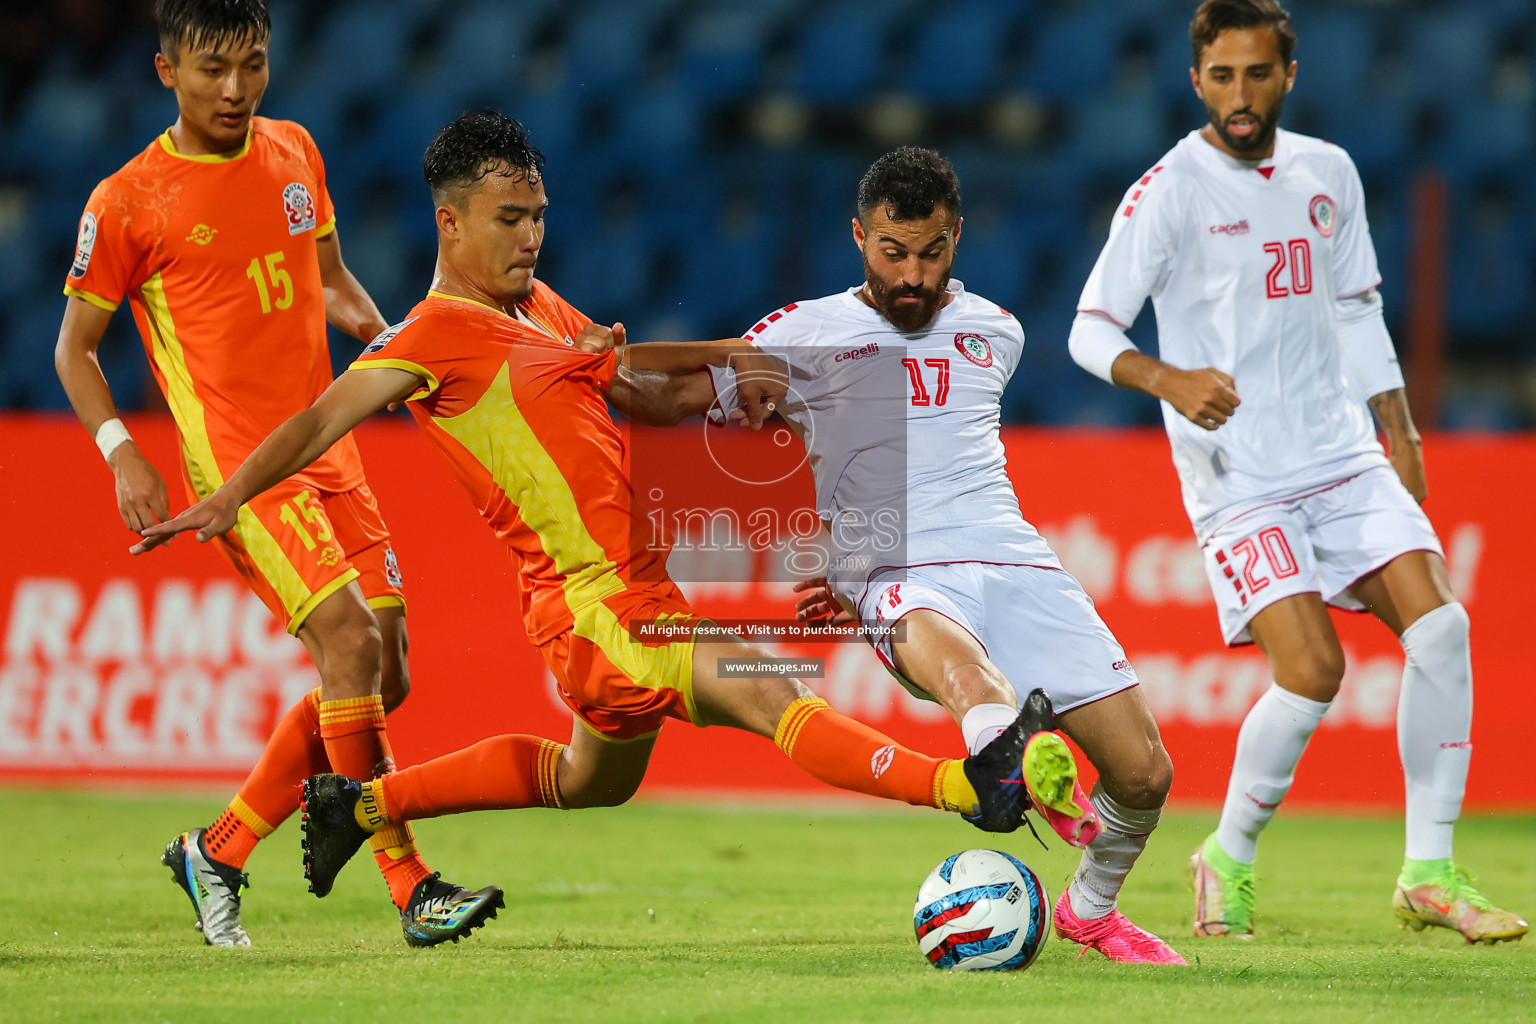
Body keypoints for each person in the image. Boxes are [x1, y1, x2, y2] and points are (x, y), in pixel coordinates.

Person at [133, 111, 1069, 900]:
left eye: (538, 215)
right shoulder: (430, 335)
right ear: (449, 223)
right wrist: (229, 496)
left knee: (589, 781)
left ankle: (360, 804)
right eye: (510, 219)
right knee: (768, 687)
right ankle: (966, 784)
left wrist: (717, 386)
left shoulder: (536, 304)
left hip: (634, 584)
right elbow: (319, 420)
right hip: (591, 606)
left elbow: (631, 387)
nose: (531, 236)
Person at [1068, 0, 1526, 944]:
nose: (1241, 95)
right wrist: (1168, 378)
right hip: (1239, 476)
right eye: (1222, 76)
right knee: (1312, 670)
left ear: (1288, 73)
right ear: (1197, 81)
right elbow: (1089, 330)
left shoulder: (1329, 171)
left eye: (1258, 73)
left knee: (1442, 627)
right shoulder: (1167, 193)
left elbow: (1357, 307)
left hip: (1342, 452)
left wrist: (1398, 427)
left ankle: (1429, 873)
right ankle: (1227, 857)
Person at [53, 0, 498, 947]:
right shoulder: (127, 200)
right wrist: (120, 449)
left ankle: (217, 849)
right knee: (346, 647)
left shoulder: (295, 150)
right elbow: (74, 350)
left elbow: (331, 283)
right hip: (241, 469)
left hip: (326, 444)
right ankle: (409, 882)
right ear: (167, 69)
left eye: (252, 65)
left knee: (391, 673)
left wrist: (395, 353)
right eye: (213, 69)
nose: (235, 89)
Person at [695, 147, 1184, 965]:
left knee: (1145, 776)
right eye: (892, 253)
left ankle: (1091, 909)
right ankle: (1020, 771)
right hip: (901, 573)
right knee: (969, 682)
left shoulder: (998, 331)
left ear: (955, 238)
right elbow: (688, 409)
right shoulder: (796, 333)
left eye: (929, 253)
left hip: (1012, 559)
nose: (911, 276)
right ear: (859, 238)